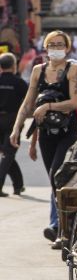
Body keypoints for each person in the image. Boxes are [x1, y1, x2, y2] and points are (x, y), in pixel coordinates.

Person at [10, 31, 77, 248]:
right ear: (45, 47)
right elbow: (28, 102)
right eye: (52, 44)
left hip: (68, 131)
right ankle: (61, 225)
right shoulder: (38, 70)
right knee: (54, 182)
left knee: (57, 175)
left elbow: (75, 102)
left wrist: (48, 106)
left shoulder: (73, 69)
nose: (56, 47)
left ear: (67, 47)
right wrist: (17, 129)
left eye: (60, 44)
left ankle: (62, 230)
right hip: (46, 134)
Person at [0, 53, 27, 197]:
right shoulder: (19, 82)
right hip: (13, 121)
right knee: (8, 154)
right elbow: (28, 102)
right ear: (14, 66)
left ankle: (18, 185)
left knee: (7, 154)